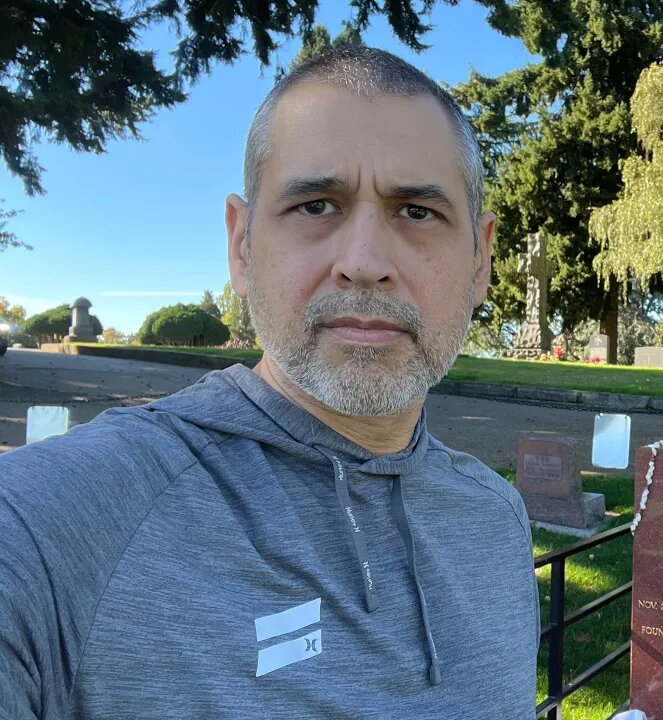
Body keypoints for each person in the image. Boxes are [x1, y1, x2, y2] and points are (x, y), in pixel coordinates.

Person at [0, 47, 537, 719]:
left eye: (417, 212)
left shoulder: (497, 518)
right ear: (242, 247)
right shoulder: (50, 526)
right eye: (316, 205)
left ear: (482, 258)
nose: (364, 263)